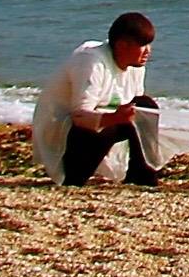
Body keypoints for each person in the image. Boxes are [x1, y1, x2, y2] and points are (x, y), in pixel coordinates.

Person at [31, 11, 162, 187]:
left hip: (105, 125)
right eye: (143, 45)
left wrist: (123, 117)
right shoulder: (91, 62)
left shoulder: (136, 66)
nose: (148, 51)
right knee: (76, 178)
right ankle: (74, 174)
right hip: (65, 133)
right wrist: (114, 118)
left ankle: (141, 174)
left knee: (145, 106)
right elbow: (79, 117)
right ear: (122, 46)